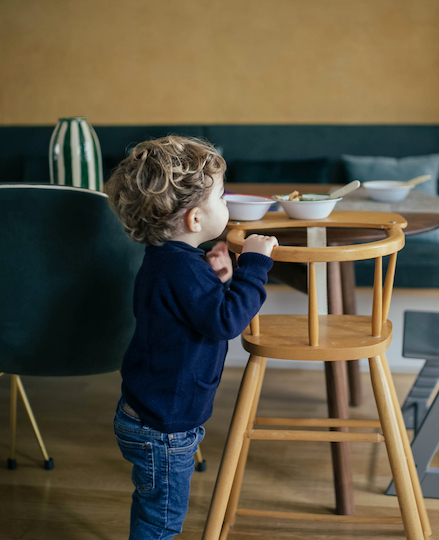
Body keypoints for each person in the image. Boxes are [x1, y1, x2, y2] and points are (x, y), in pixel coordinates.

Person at [105, 135, 278, 540]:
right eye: (221, 196)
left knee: (153, 505)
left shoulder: (168, 260)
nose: (227, 204)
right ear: (195, 220)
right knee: (161, 520)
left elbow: (190, 313)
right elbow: (225, 322)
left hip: (149, 412)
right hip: (164, 427)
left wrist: (219, 279)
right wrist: (254, 264)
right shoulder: (183, 271)